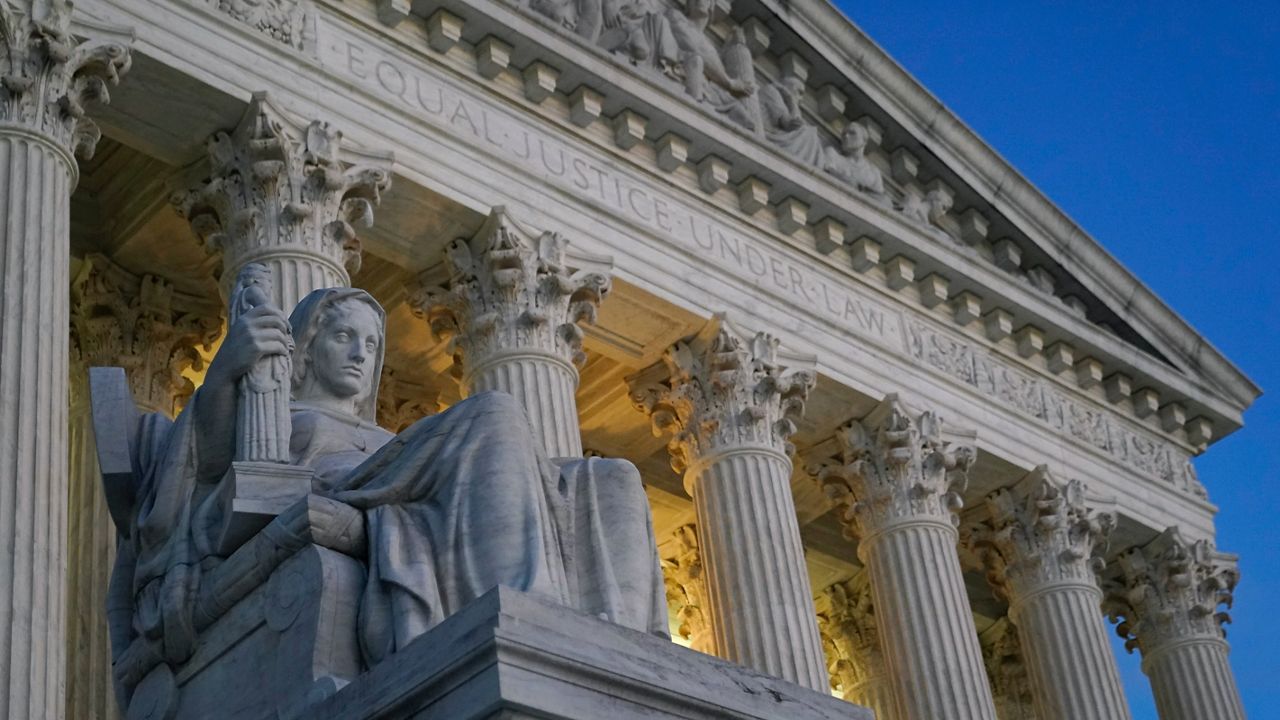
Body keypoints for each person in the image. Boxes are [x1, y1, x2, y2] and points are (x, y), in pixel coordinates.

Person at [120, 286, 667, 673]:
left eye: (371, 343)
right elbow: (209, 474)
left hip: (413, 495)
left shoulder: (388, 438)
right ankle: (533, 622)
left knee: (614, 477)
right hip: (350, 490)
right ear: (305, 348)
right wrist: (225, 372)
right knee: (495, 412)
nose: (361, 352)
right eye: (343, 336)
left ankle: (619, 649)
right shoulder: (274, 413)